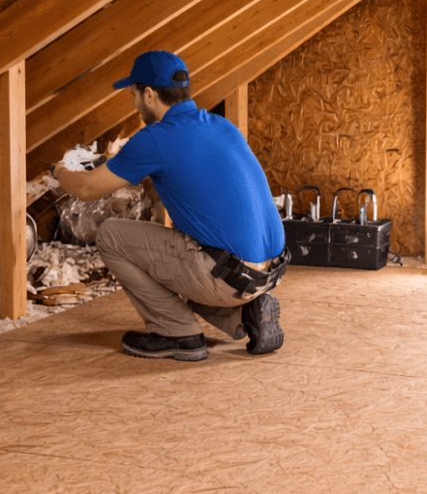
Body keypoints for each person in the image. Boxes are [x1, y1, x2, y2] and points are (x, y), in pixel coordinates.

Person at [51, 50, 287, 362]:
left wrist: (59, 171)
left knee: (111, 234)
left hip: (225, 276)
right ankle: (245, 314)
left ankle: (175, 332)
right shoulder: (220, 125)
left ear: (149, 94)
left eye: (134, 95)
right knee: (182, 249)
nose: (134, 104)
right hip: (269, 271)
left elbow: (87, 188)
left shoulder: (155, 138)